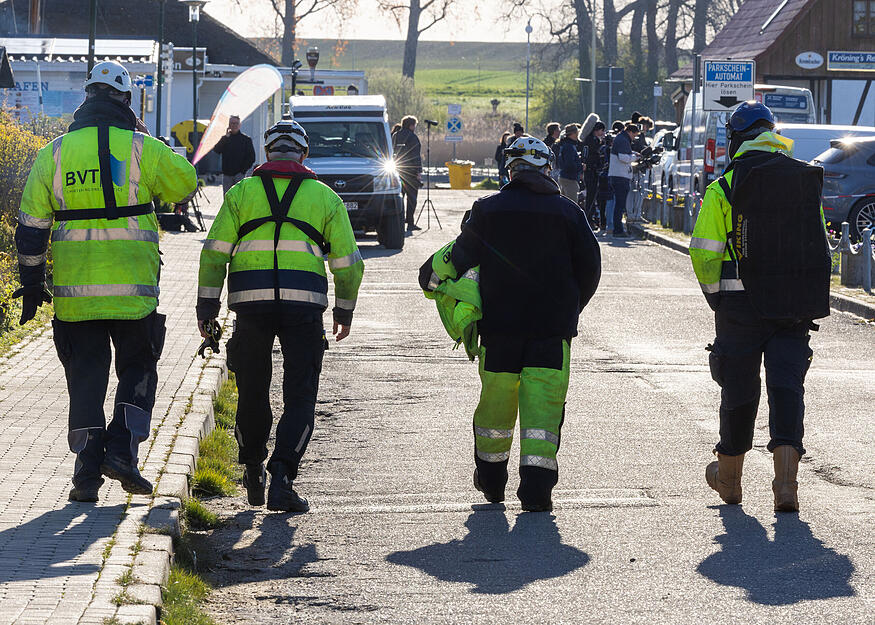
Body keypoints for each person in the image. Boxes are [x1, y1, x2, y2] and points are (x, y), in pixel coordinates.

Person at [13, 61, 197, 502]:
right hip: (133, 292)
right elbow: (186, 184)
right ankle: (123, 449)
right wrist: (148, 139)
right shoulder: (140, 148)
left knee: (86, 380)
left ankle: (85, 477)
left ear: (85, 99)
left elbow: (31, 227)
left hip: (76, 295)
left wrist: (33, 282)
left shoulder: (53, 153)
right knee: (138, 369)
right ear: (125, 101)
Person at [419, 136, 601, 511]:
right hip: (552, 333)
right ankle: (537, 492)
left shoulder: (488, 210)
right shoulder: (570, 213)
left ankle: (491, 481)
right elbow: (591, 271)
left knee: (496, 408)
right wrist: (570, 310)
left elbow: (458, 256)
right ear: (548, 169)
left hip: (499, 331)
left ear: (510, 169)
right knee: (544, 412)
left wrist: (430, 277)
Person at [197, 116, 364, 513]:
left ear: (268, 153)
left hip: (249, 306)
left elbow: (213, 253)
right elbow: (349, 263)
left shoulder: (241, 193)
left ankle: (252, 466)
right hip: (304, 308)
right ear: (304, 154)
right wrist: (345, 310)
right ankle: (283, 479)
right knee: (300, 394)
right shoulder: (325, 198)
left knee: (253, 390)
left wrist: (207, 308)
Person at [690, 101, 830, 513]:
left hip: (740, 307)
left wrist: (717, 295)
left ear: (736, 139)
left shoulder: (726, 186)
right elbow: (820, 245)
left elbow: (704, 253)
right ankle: (786, 485)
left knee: (738, 389)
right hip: (794, 309)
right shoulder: (805, 178)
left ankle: (730, 482)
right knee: (787, 389)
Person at [608, 122, 639, 237]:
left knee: (619, 204)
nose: (634, 138)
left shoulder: (621, 138)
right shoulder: (623, 140)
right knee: (620, 205)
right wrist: (635, 157)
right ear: (630, 132)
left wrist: (633, 153)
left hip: (617, 175)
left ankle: (618, 229)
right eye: (634, 135)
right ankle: (618, 230)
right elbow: (623, 157)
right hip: (620, 176)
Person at [393, 115, 423, 231]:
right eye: (414, 125)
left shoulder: (395, 135)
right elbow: (415, 156)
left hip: (397, 171)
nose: (415, 127)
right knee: (412, 199)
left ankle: (398, 223)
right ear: (411, 125)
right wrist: (418, 172)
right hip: (410, 172)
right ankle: (410, 223)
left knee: (399, 198)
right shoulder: (412, 137)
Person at [213, 115, 256, 195]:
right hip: (227, 175)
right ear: (229, 125)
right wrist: (225, 138)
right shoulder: (225, 138)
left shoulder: (246, 140)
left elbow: (251, 157)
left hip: (240, 175)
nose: (234, 125)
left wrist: (243, 171)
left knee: (240, 198)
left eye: (236, 123)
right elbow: (216, 150)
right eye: (232, 123)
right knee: (227, 198)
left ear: (239, 125)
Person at [582, 121, 606, 229]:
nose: (603, 133)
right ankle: (588, 219)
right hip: (591, 171)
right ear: (597, 130)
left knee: (592, 196)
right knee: (591, 197)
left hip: (593, 171)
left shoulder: (592, 139)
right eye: (602, 130)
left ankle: (590, 219)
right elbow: (595, 153)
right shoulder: (590, 140)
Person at [556, 123, 583, 202]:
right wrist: (580, 166)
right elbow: (569, 164)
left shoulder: (565, 144)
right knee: (572, 204)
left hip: (564, 177)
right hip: (570, 179)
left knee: (564, 203)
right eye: (577, 132)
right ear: (573, 133)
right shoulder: (569, 146)